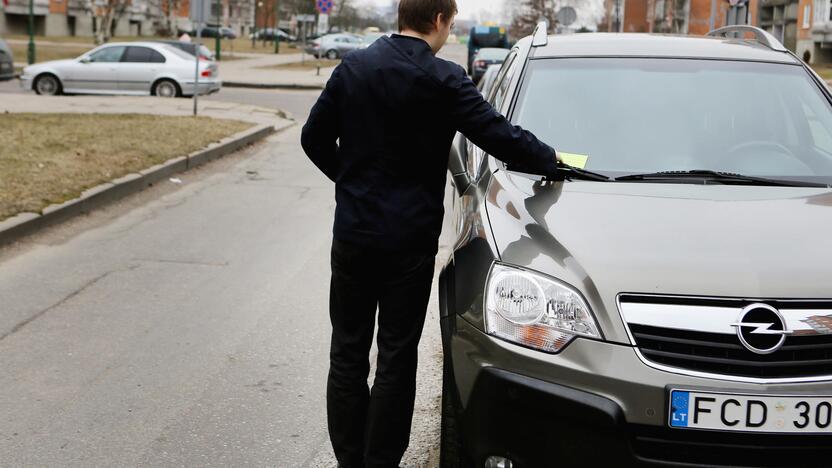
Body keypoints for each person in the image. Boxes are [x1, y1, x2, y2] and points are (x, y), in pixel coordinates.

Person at [300, 0, 560, 466]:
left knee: (347, 352)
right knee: (397, 355)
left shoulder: (353, 68)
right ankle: (381, 460)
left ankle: (349, 459)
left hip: (355, 236)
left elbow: (312, 138)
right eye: (451, 23)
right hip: (409, 244)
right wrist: (551, 160)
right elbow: (496, 134)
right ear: (439, 21)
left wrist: (352, 183)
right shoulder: (444, 79)